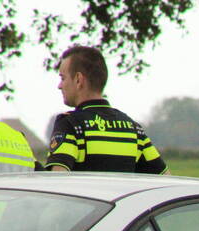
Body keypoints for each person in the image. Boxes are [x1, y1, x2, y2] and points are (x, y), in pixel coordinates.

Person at [45, 45, 168, 174]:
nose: (59, 86)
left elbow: (58, 179)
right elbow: (165, 180)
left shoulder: (70, 124)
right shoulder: (134, 129)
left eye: (63, 78)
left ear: (78, 79)